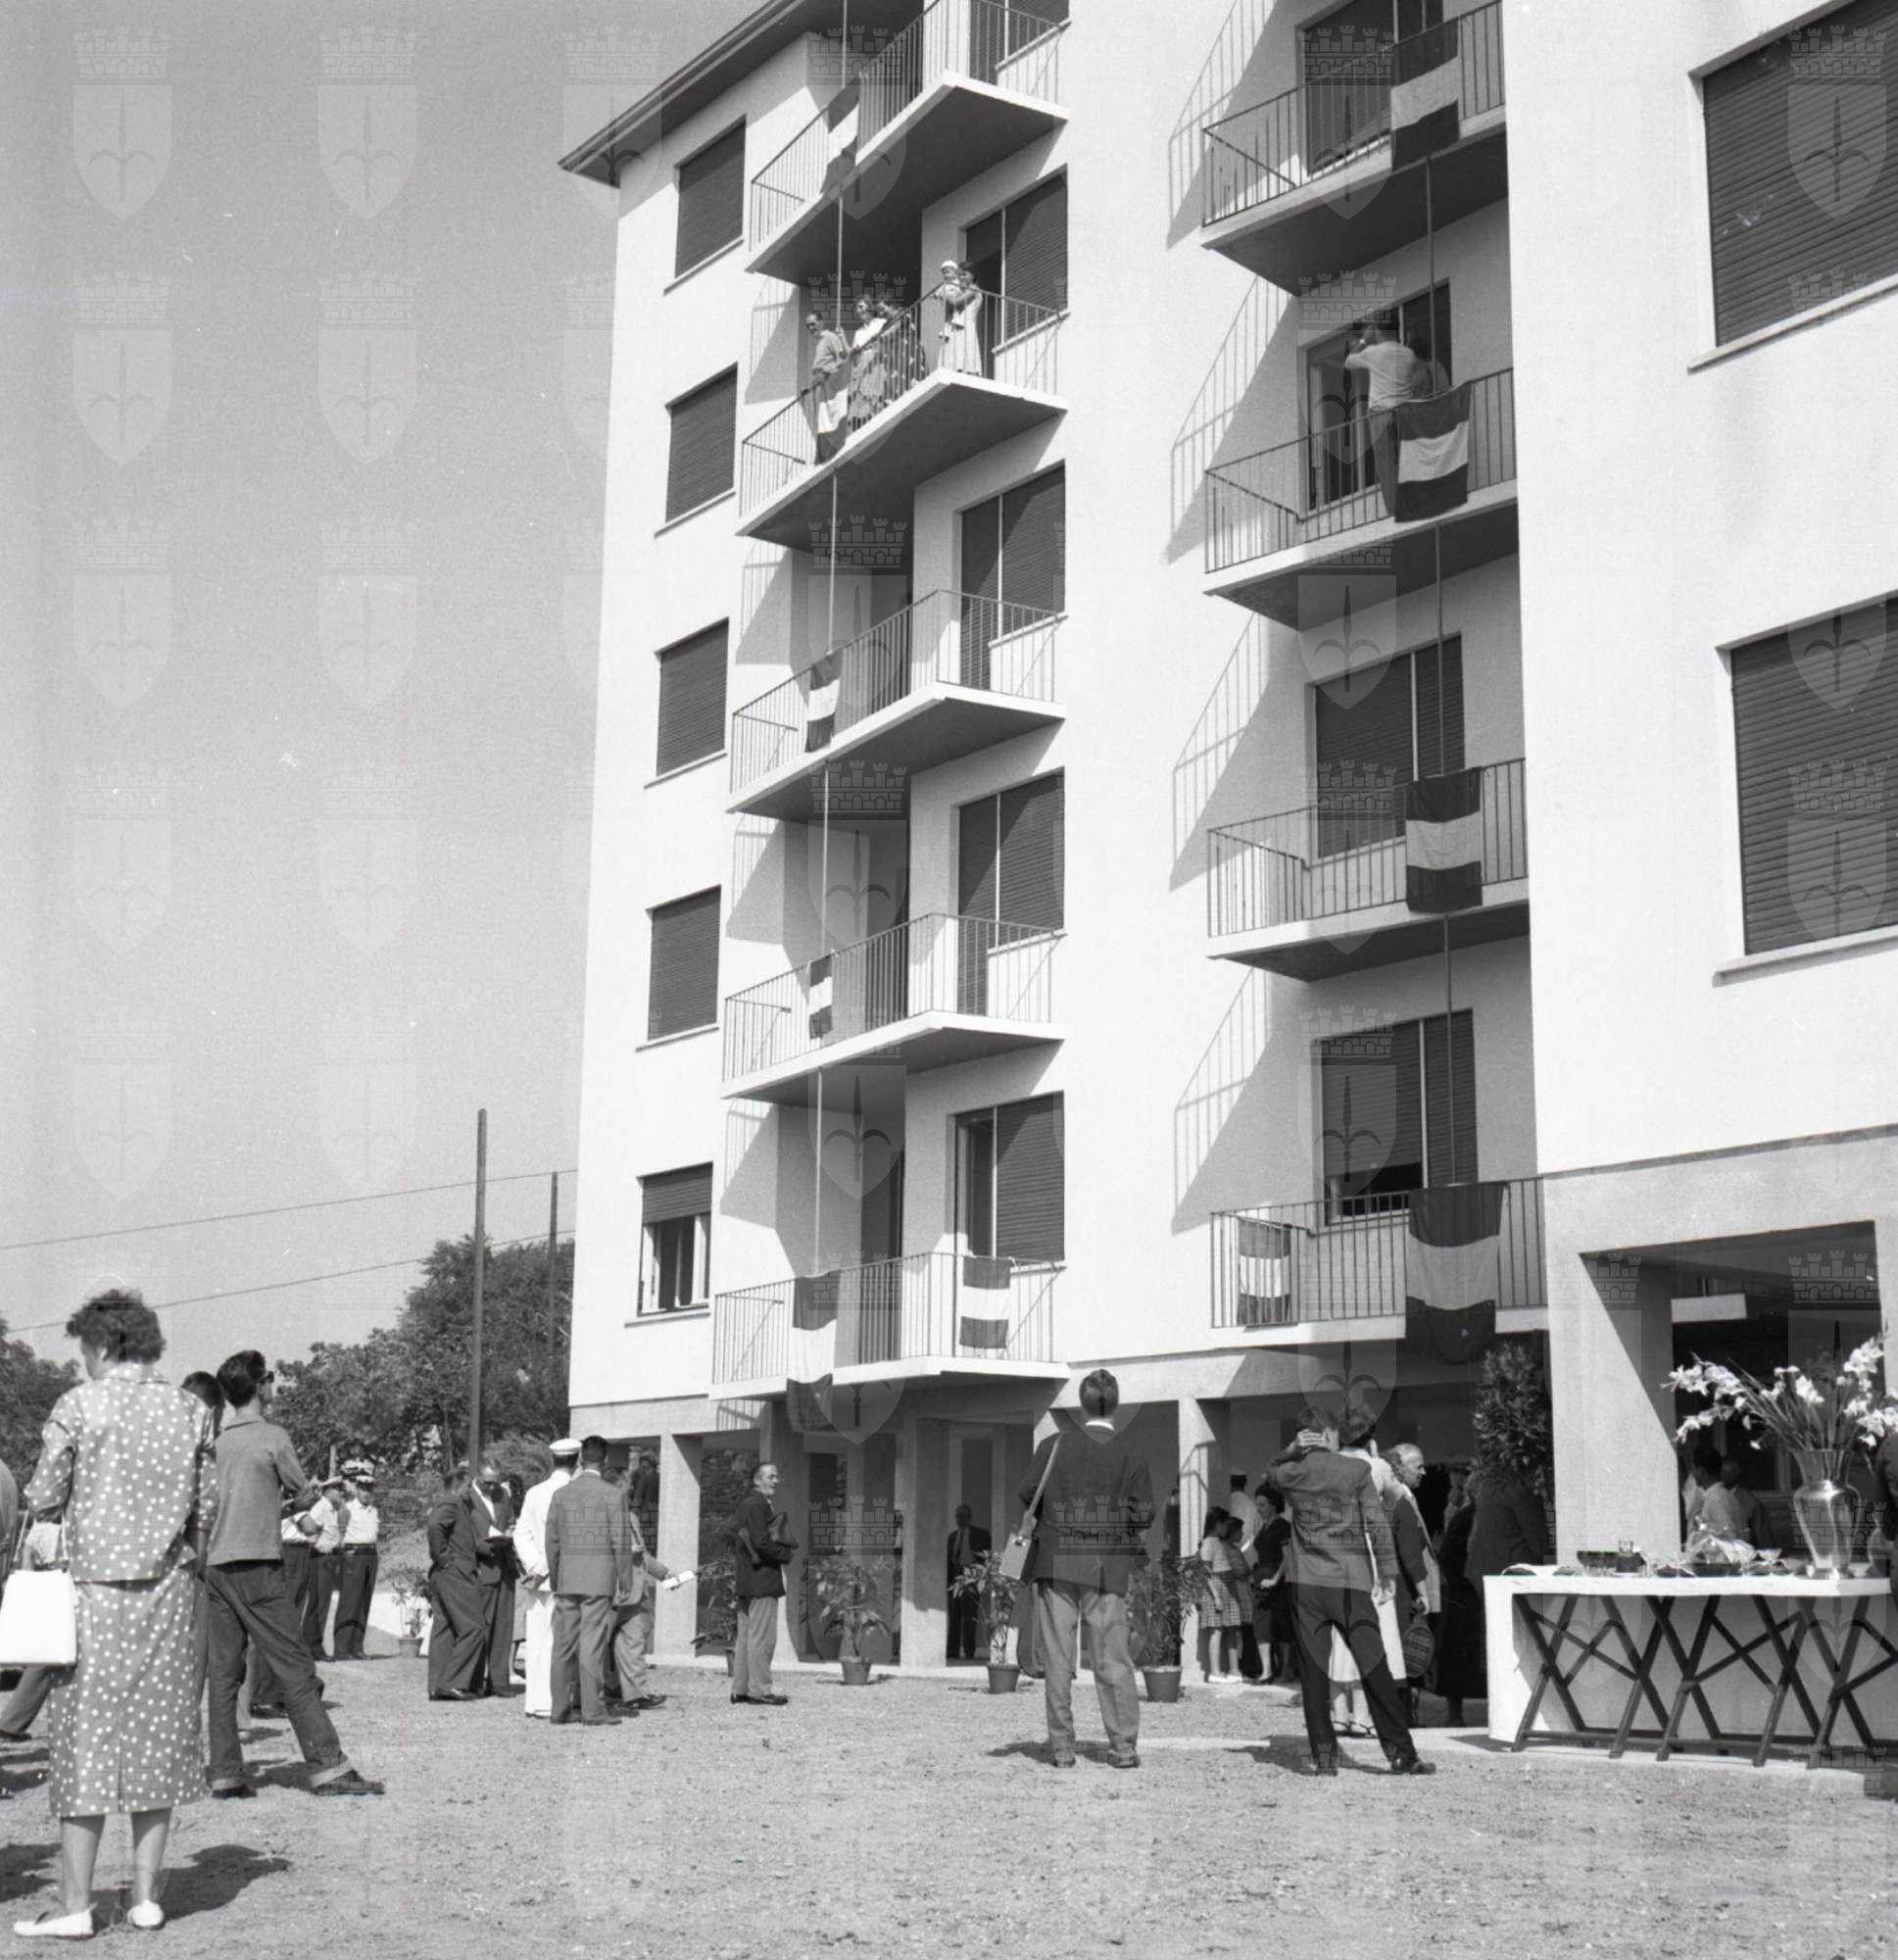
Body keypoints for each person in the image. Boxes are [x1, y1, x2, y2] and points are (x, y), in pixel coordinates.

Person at [12, 1291, 219, 1937]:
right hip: (167, 1590)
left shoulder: (79, 1405)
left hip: (93, 1595)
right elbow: (206, 1508)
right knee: (158, 1739)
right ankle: (147, 1897)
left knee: (85, 1744)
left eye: (86, 1349)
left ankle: (75, 1905)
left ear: (102, 1343)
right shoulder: (191, 1410)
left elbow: (44, 1494)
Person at [202, 1349, 379, 1805]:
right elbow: (302, 1496)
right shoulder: (273, 1437)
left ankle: (225, 1772)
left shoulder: (216, 1444)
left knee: (224, 1674)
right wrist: (302, 1498)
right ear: (262, 1385)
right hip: (259, 1566)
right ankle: (328, 1765)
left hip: (217, 1568)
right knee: (294, 1667)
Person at [1264, 1408, 1433, 1777]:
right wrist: (1387, 1571)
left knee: (1314, 1673)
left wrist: (1290, 1450)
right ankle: (1401, 1754)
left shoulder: (1293, 1472)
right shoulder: (1356, 1470)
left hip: (1306, 1585)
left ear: (1304, 1437)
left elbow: (1270, 1472)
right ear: (1329, 1435)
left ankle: (1325, 1758)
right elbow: (1376, 1524)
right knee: (1374, 1667)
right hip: (1352, 1582)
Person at [1019, 1368, 1154, 1771]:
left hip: (1055, 1559)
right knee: (1112, 1657)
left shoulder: (1053, 1445)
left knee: (1058, 1657)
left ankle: (1062, 1748)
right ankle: (1123, 1747)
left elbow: (1027, 1493)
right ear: (1115, 1405)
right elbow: (1143, 1514)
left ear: (1081, 1404)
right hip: (1106, 1564)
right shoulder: (1131, 1452)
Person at [546, 1436, 628, 1727]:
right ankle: (592, 1710)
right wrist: (625, 1580)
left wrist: (555, 1577)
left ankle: (559, 1708)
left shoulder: (561, 1494)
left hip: (567, 1579)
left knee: (563, 1645)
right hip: (598, 1580)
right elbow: (620, 1541)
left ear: (581, 1459)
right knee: (592, 1645)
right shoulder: (613, 1494)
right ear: (604, 1461)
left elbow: (552, 1541)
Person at [513, 1437, 580, 1719]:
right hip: (564, 1575)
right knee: (560, 1642)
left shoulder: (535, 1492)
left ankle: (535, 1702)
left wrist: (534, 1567)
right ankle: (555, 1701)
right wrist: (544, 1568)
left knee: (537, 1640)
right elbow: (564, 1540)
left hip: (538, 1579)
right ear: (577, 1460)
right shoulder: (575, 1492)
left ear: (553, 1460)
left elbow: (521, 1533)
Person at [1342, 314, 1425, 508]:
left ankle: (1394, 509)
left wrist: (1364, 339)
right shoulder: (1408, 354)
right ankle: (1413, 503)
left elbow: (1347, 361)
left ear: (1378, 331)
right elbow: (1417, 372)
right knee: (1406, 460)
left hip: (1381, 414)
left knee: (1386, 463)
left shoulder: (1373, 352)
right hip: (1405, 413)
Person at [608, 1461, 670, 1712]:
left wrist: (664, 1573)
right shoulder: (600, 1516)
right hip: (611, 1591)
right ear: (616, 1487)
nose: (631, 1488)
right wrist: (626, 1550)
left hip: (633, 1592)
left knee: (634, 1642)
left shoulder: (631, 1517)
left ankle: (636, 1694)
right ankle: (593, 1692)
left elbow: (642, 1554)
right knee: (599, 1643)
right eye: (626, 1483)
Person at [731, 1462, 795, 1707]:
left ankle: (741, 1689)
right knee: (762, 1638)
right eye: (771, 1477)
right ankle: (760, 1691)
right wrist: (785, 1555)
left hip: (747, 1581)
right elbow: (762, 1542)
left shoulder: (748, 1504)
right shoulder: (757, 1505)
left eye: (777, 1476)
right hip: (762, 1580)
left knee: (746, 1638)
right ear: (757, 1480)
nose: (776, 1481)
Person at [1386, 1444, 1437, 1723]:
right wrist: (1423, 1593)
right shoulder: (1400, 1502)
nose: (1424, 1472)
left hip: (1392, 1586)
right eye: (1418, 1467)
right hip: (1403, 1589)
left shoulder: (1392, 1500)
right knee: (1407, 1650)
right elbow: (1411, 1554)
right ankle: (1405, 1715)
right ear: (1399, 1469)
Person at [425, 1465, 486, 1702]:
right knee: (473, 1627)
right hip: (456, 1572)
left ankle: (437, 1684)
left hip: (447, 1572)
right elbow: (434, 1526)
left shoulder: (456, 1503)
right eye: (469, 1486)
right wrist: (443, 1557)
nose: (471, 1490)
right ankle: (453, 1683)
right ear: (459, 1485)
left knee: (445, 1628)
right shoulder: (451, 1502)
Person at [1434, 1477, 1484, 1725]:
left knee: (1460, 1655)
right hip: (1465, 1592)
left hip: (1464, 1590)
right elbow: (1448, 1555)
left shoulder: (1470, 1516)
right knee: (1459, 1654)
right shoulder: (1468, 1516)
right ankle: (1455, 1715)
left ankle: (1456, 1714)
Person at [467, 1459, 520, 1695]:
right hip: (482, 1567)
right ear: (477, 1476)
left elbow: (510, 1521)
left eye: (495, 1483)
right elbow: (462, 1534)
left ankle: (498, 1681)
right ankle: (475, 1681)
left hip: (505, 1567)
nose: (492, 1487)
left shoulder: (503, 1495)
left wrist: (510, 1531)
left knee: (503, 1627)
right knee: (482, 1626)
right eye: (487, 1483)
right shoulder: (467, 1498)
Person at [332, 1468, 379, 1660]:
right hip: (353, 1554)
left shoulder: (373, 1510)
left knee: (364, 1602)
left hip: (371, 1554)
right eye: (363, 1489)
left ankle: (357, 1647)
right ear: (357, 1490)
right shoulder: (348, 1509)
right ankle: (341, 1648)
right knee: (349, 1601)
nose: (366, 1493)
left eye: (370, 1489)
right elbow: (339, 1535)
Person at [302, 1474, 350, 1660]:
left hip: (329, 1558)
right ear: (328, 1491)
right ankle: (312, 1647)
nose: (341, 1493)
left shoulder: (332, 1509)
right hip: (320, 1558)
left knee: (322, 1604)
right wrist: (319, 1546)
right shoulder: (321, 1508)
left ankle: (313, 1645)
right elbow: (307, 1531)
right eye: (338, 1490)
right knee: (318, 1604)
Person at [1195, 1507, 1245, 1684]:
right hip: (1216, 1586)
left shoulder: (1218, 1541)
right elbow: (1205, 1570)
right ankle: (1215, 1672)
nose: (1227, 1528)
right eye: (1225, 1524)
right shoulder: (1209, 1542)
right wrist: (1215, 1596)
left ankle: (1234, 1669)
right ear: (1218, 1524)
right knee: (1216, 1630)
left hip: (1227, 1584)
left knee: (1232, 1627)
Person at [1251, 1485, 1294, 1683]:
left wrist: (1275, 1579)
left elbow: (1287, 1557)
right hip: (1261, 1581)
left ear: (1273, 1505)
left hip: (1278, 1581)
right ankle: (1266, 1670)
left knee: (1282, 1625)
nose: (1258, 1508)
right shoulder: (1263, 1526)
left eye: (1262, 1504)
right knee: (1261, 1626)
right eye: (1257, 1504)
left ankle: (1286, 1670)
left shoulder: (1282, 1526)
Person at [1226, 1473, 1266, 1681]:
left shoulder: (1225, 1501)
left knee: (1239, 1626)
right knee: (1248, 1624)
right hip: (1248, 1566)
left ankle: (1243, 1663)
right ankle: (1250, 1664)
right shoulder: (1252, 1505)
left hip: (1234, 1576)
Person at [946, 1505, 992, 1662]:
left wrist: (979, 1578)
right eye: (957, 1516)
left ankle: (969, 1652)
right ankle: (952, 1652)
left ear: (969, 1517)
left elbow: (986, 1556)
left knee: (969, 1617)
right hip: (954, 1581)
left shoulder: (981, 1534)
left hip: (971, 1580)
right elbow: (948, 1560)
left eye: (963, 1516)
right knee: (954, 1618)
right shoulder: (952, 1537)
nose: (959, 1519)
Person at [805, 311, 852, 461]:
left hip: (830, 384)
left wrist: (828, 373)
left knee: (831, 417)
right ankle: (825, 451)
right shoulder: (819, 342)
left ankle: (833, 447)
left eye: (813, 324)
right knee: (823, 419)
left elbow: (841, 359)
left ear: (821, 323)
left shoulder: (829, 337)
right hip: (821, 385)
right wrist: (810, 386)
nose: (811, 328)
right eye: (808, 326)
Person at [848, 296, 894, 431]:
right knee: (864, 397)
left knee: (878, 394)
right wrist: (854, 351)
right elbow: (854, 355)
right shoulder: (858, 332)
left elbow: (890, 340)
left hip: (879, 362)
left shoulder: (881, 323)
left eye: (861, 307)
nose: (859, 311)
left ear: (869, 307)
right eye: (857, 308)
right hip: (864, 367)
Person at [1698, 1456, 1767, 1545]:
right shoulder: (1710, 1495)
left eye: (1724, 1473)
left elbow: (1763, 1538)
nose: (1719, 1475)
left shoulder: (1751, 1502)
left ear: (1734, 1475)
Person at [936, 260, 984, 376]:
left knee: (966, 348)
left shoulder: (974, 288)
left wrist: (943, 293)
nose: (962, 278)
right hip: (958, 326)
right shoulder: (962, 290)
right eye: (960, 275)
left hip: (967, 325)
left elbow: (956, 302)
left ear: (973, 275)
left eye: (965, 274)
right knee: (955, 349)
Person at [1681, 1443, 1722, 1534]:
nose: (1693, 1473)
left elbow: (1729, 1535)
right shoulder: (1713, 1495)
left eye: (1694, 1469)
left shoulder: (1716, 1498)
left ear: (1701, 1471)